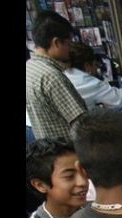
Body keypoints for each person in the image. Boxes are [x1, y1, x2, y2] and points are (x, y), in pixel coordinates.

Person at [26, 11, 87, 140]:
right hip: (68, 153)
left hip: (49, 152)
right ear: (57, 43)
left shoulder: (29, 67)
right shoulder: (51, 76)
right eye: (68, 44)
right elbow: (81, 124)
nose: (70, 49)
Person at [65, 42, 122, 111]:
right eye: (95, 64)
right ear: (87, 66)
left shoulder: (67, 74)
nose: (96, 68)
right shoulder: (86, 82)